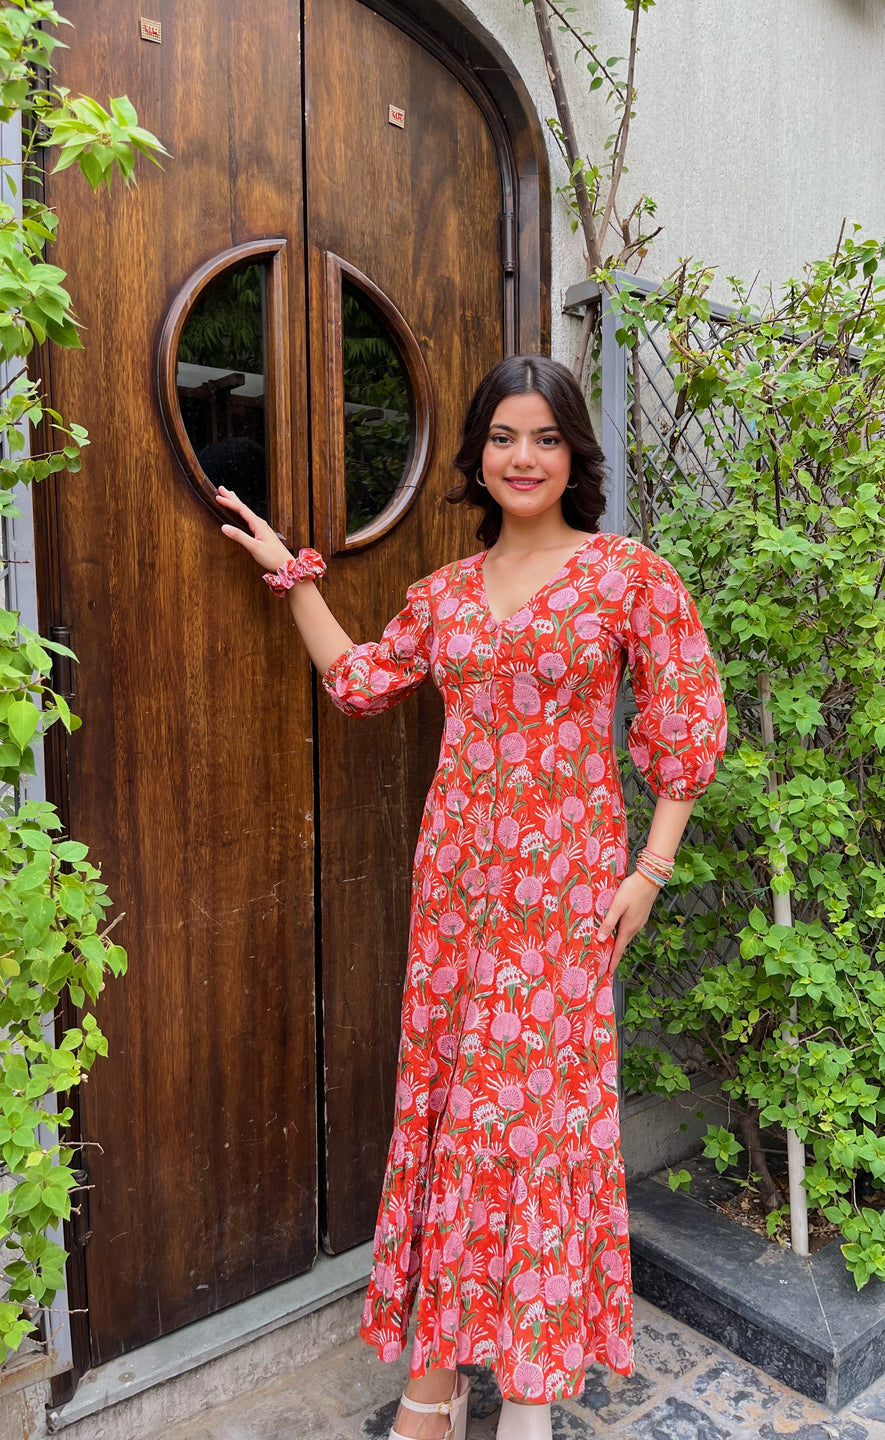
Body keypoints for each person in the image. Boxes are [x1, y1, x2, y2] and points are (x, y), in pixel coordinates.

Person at [218, 355, 727, 1440]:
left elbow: (683, 733)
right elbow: (360, 681)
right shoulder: (443, 594)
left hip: (566, 895)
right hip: (455, 894)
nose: (523, 456)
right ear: (479, 456)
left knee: (540, 1129)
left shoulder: (628, 577)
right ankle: (437, 1385)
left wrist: (650, 872)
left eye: (544, 437)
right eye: (503, 436)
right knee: (455, 1120)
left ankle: (527, 1396)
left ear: (573, 453)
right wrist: (292, 575)